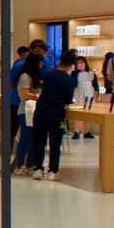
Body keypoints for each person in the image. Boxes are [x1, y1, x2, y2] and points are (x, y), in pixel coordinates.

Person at [31, 48, 79, 181]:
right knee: (55, 143)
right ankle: (52, 170)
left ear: (60, 62)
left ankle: (38, 168)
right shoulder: (69, 80)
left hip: (41, 111)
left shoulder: (47, 75)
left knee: (39, 141)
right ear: (71, 65)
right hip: (56, 114)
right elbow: (68, 99)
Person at [11, 49, 46, 175]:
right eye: (40, 63)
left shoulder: (37, 77)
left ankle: (30, 163)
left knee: (33, 138)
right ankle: (20, 164)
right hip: (26, 110)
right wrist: (37, 96)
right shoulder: (25, 77)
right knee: (26, 137)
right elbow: (24, 94)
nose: (41, 65)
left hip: (35, 110)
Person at [69, 54, 97, 138]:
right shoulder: (74, 73)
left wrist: (96, 95)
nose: (80, 65)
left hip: (88, 93)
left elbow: (95, 85)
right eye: (78, 63)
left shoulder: (91, 73)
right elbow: (73, 84)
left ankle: (87, 131)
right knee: (77, 113)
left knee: (87, 112)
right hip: (78, 93)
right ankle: (76, 131)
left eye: (82, 63)